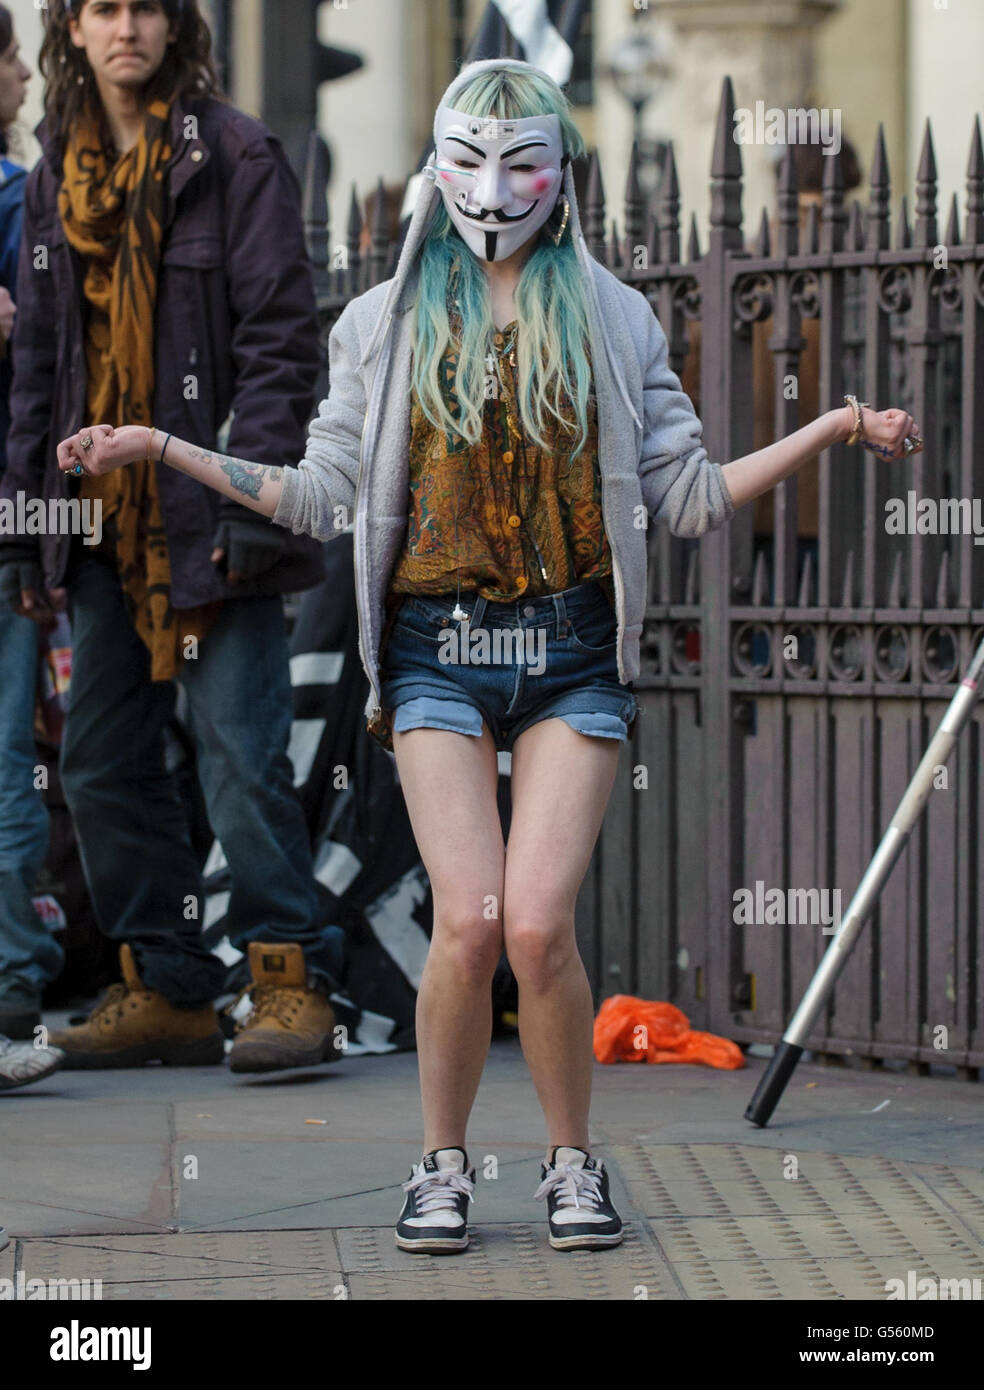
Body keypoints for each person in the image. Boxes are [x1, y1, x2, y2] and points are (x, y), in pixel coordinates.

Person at [54, 58, 922, 1251]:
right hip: (434, 650)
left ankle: (574, 1163)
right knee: (468, 918)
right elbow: (320, 494)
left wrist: (830, 425)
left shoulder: (613, 315)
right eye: (472, 160)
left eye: (524, 161)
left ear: (561, 172)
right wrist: (165, 443)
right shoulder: (384, 321)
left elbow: (687, 499)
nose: (498, 188)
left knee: (535, 927)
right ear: (437, 171)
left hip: (571, 653)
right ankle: (441, 1166)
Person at [0, 0, 340, 1075]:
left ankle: (290, 977)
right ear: (74, 29)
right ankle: (171, 984)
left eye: (146, 7)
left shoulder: (235, 155)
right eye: (104, 8)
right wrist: (25, 526)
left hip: (207, 512)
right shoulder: (61, 173)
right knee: (100, 762)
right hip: (100, 521)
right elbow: (43, 366)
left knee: (240, 752)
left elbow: (283, 342)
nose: (126, 29)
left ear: (174, 26)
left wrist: (250, 499)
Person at [0, 3, 67, 1041]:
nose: (21, 74)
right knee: (12, 752)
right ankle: (14, 971)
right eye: (7, 55)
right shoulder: (24, 200)